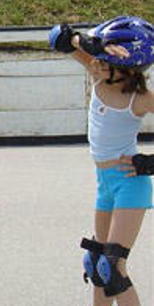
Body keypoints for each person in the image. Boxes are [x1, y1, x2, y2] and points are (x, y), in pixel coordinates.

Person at [50, 17, 154, 306]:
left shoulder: (140, 98)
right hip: (105, 183)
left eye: (104, 58)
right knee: (96, 264)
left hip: (130, 185)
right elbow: (57, 37)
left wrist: (150, 163)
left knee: (113, 268)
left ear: (127, 67)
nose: (95, 61)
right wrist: (91, 43)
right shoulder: (98, 74)